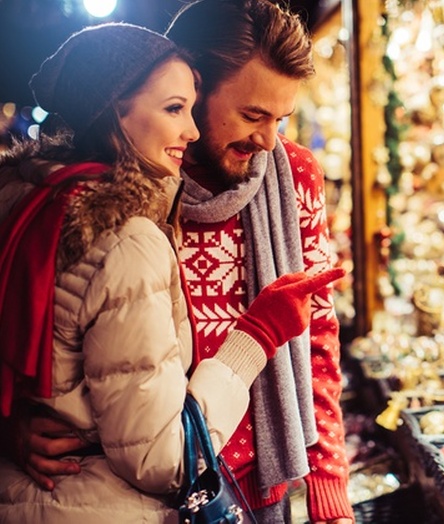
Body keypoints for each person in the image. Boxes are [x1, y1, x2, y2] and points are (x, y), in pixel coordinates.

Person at [12, 1, 356, 523]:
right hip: (140, 490)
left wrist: (329, 482)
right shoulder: (108, 197)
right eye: (253, 115)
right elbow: (36, 331)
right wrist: (10, 423)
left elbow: (317, 336)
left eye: (280, 119)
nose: (268, 140)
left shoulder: (295, 175)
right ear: (195, 89)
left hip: (262, 478)